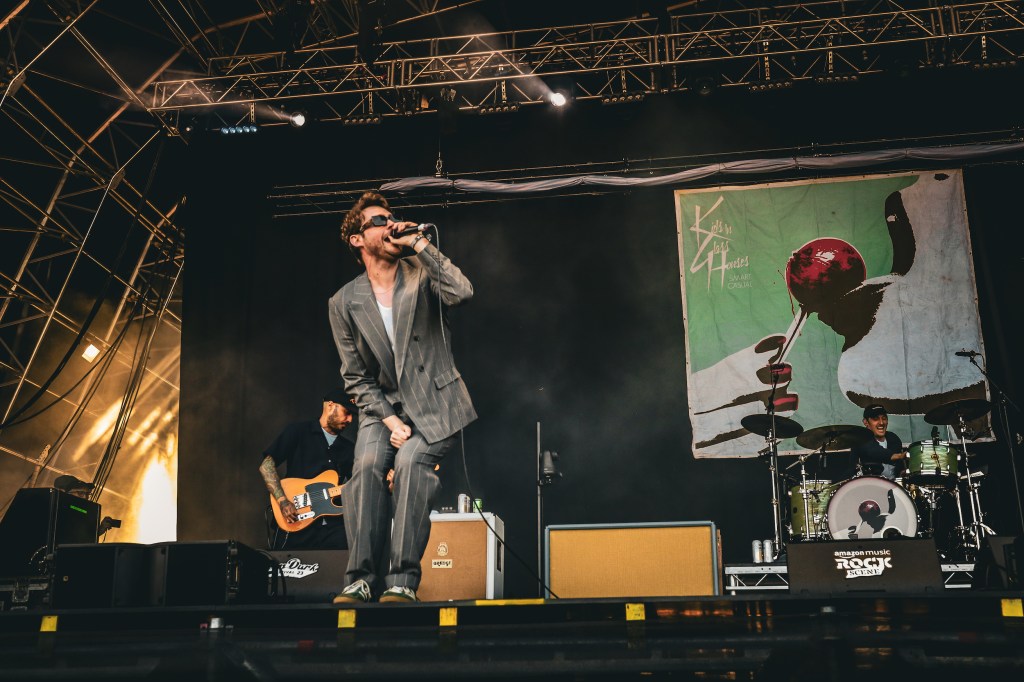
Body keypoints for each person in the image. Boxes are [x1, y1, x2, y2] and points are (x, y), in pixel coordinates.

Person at [328, 192, 476, 604]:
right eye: (379, 220)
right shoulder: (344, 302)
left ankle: (402, 581)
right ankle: (360, 579)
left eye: (392, 217)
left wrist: (419, 243)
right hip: (383, 409)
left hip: (435, 402)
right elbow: (355, 378)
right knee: (366, 466)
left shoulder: (421, 272)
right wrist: (391, 421)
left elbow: (462, 292)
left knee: (410, 464)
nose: (390, 223)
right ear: (358, 239)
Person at [258, 390, 357, 549]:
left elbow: (357, 485)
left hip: (333, 529)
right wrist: (283, 501)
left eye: (353, 415)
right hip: (297, 520)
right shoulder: (298, 431)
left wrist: (384, 479)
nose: (350, 419)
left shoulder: (350, 449)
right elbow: (266, 466)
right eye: (347, 412)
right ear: (330, 406)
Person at [851, 403, 905, 481]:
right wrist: (897, 456)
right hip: (868, 485)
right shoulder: (861, 439)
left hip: (894, 485)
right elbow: (873, 451)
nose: (881, 423)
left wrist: (903, 472)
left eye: (884, 418)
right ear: (866, 422)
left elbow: (900, 467)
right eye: (875, 419)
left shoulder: (893, 438)